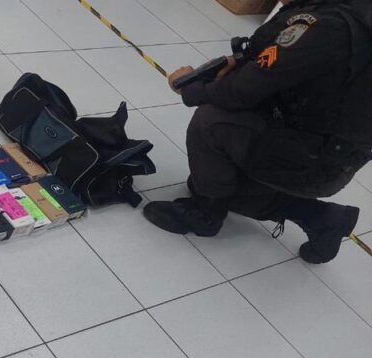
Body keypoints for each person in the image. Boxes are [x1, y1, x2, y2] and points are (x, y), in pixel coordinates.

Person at [144, 0, 372, 264]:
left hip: (315, 161)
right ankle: (323, 218)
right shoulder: (350, 11)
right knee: (211, 182)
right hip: (328, 152)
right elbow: (282, 56)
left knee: (211, 121)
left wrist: (190, 88)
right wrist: (240, 60)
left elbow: (240, 91)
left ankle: (205, 216)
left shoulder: (327, 27)